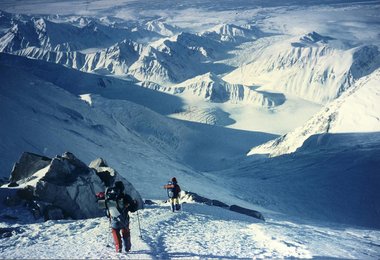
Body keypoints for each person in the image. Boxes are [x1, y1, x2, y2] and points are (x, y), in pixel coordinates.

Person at [105, 181, 137, 253]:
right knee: (125, 231)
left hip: (114, 220)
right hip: (124, 220)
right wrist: (135, 204)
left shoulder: (109, 197)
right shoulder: (126, 197)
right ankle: (127, 248)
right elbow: (132, 209)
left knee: (115, 231)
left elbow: (106, 208)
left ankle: (118, 247)